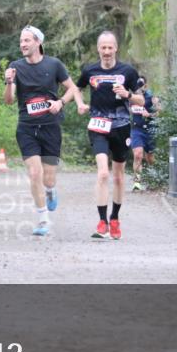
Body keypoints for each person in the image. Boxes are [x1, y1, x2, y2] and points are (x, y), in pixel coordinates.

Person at [3, 26, 80, 237]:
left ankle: (50, 190)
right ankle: (43, 219)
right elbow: (9, 101)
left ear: (38, 42)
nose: (23, 44)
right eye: (21, 41)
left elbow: (73, 88)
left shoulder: (54, 64)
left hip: (50, 127)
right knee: (34, 173)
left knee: (48, 178)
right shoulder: (15, 67)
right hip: (26, 127)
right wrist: (9, 82)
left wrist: (60, 102)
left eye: (27, 40)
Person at [75, 31, 142, 240]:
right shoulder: (90, 71)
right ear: (98, 49)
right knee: (103, 173)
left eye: (109, 47)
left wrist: (128, 95)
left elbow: (142, 100)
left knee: (119, 177)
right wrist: (80, 104)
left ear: (116, 48)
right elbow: (76, 88)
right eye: (102, 48)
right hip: (98, 126)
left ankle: (115, 218)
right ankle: (102, 221)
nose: (106, 52)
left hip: (121, 127)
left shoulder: (128, 71)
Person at [129, 75, 160, 191]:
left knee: (150, 158)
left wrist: (150, 115)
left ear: (146, 86)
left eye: (141, 85)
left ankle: (155, 178)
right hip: (136, 129)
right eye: (137, 86)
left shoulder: (152, 97)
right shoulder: (131, 97)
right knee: (137, 154)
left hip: (150, 129)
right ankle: (137, 182)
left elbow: (160, 112)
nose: (139, 88)